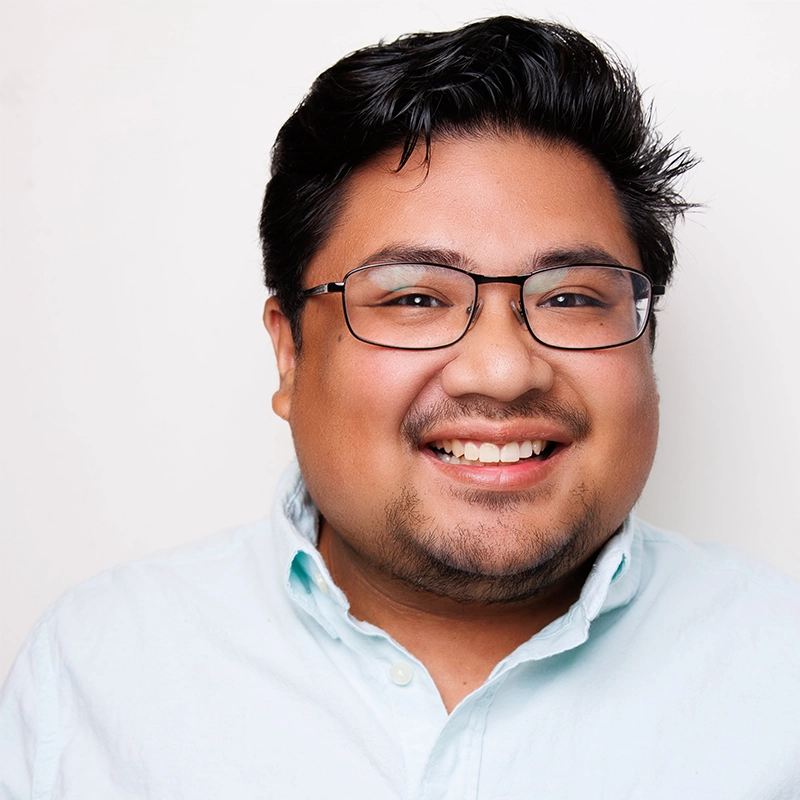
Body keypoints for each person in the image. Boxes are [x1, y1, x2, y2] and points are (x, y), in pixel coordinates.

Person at [2, 15, 798, 798]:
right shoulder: (97, 673)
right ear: (290, 352)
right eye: (416, 296)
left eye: (568, 297)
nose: (501, 369)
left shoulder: (778, 677)